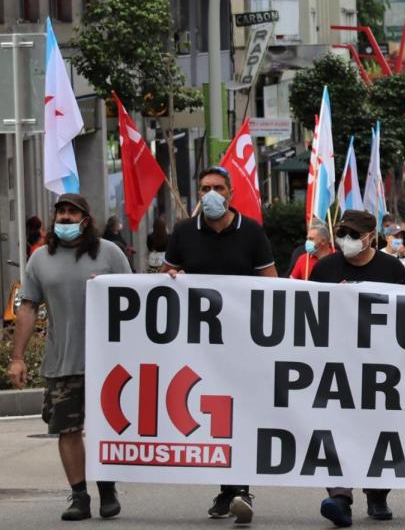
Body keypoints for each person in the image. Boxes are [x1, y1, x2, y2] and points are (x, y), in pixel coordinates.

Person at [162, 166, 277, 525]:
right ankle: (229, 487)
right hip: (198, 347)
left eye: (217, 188)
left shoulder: (253, 233)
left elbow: (270, 285)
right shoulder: (183, 233)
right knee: (211, 416)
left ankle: (239, 487)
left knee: (239, 414)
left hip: (243, 345)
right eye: (204, 188)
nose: (210, 194)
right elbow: (164, 279)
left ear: (231, 193)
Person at [6, 194, 131, 521]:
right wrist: (17, 357)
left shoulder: (110, 254)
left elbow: (135, 300)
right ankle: (79, 496)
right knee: (67, 429)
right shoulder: (39, 259)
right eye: (60, 211)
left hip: (110, 363)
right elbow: (28, 308)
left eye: (71, 212)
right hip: (63, 361)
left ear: (85, 219)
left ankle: (107, 489)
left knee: (108, 428)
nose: (64, 217)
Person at [309, 210, 405, 527]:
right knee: (335, 428)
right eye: (343, 234)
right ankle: (340, 497)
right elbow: (308, 312)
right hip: (336, 363)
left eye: (354, 234)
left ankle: (377, 495)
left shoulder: (391, 268)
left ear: (370, 236)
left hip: (381, 365)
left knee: (378, 431)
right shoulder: (325, 268)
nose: (347, 240)